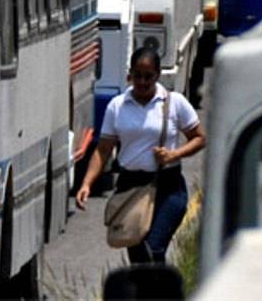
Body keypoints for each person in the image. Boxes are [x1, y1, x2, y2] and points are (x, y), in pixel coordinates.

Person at [75, 47, 206, 264]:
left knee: (153, 249)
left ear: (157, 75)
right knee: (137, 256)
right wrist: (86, 183)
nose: (143, 82)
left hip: (168, 187)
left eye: (149, 77)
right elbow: (103, 149)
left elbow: (200, 138)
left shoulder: (174, 103)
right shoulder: (117, 106)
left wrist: (174, 154)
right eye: (137, 76)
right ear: (130, 75)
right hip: (131, 187)